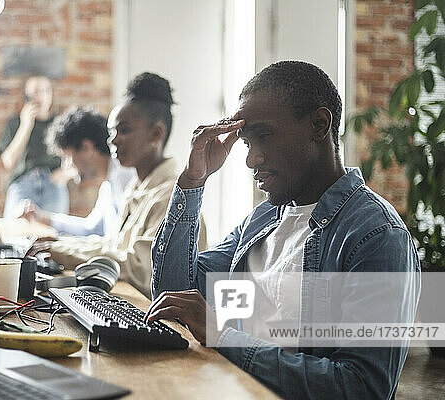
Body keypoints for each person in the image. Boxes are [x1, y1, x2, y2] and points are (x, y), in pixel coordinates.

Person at [145, 61, 419, 399]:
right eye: (247, 143)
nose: (251, 159)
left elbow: (361, 387)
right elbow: (174, 292)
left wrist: (222, 334)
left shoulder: (377, 236)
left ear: (319, 125)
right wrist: (193, 180)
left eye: (264, 136)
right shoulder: (263, 219)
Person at [30, 72, 207, 297]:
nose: (112, 140)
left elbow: (138, 267)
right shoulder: (137, 187)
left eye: (124, 130)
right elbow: (114, 244)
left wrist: (61, 251)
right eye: (112, 132)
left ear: (156, 134)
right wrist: (58, 247)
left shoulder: (172, 196)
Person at [21, 106, 135, 236]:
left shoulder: (125, 177)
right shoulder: (108, 184)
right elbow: (90, 229)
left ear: (86, 148)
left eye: (67, 157)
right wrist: (40, 217)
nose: (66, 166)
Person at [0, 75, 67, 218]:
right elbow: (9, 162)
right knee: (14, 235)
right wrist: (26, 125)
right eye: (36, 91)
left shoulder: (61, 124)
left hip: (53, 185)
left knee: (54, 236)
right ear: (26, 96)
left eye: (46, 91)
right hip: (23, 184)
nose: (41, 96)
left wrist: (65, 174)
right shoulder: (15, 123)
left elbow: (76, 157)